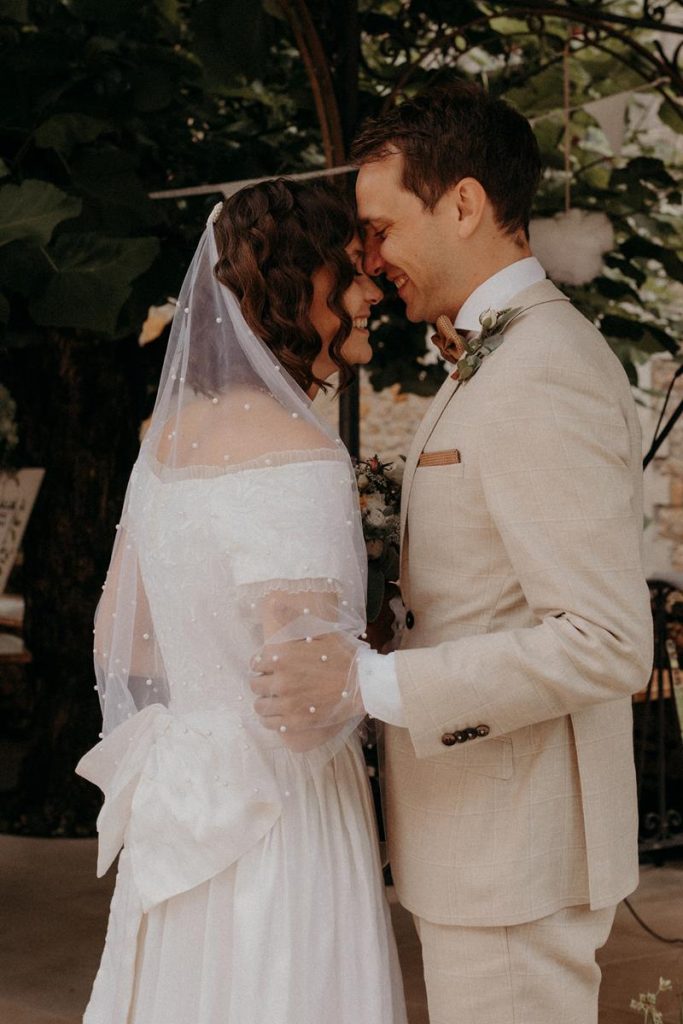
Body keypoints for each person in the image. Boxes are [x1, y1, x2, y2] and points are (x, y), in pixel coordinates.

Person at [252, 83, 654, 1023]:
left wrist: (366, 684)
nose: (367, 256)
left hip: (515, 853)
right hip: (478, 841)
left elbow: (603, 639)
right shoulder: (494, 359)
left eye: (381, 227)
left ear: (463, 204)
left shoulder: (541, 368)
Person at [76, 179, 408, 1024]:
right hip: (280, 809)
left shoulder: (170, 443)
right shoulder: (298, 452)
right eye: (351, 273)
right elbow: (300, 706)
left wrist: (209, 686)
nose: (371, 292)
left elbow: (124, 638)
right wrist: (382, 667)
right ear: (301, 288)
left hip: (185, 792)